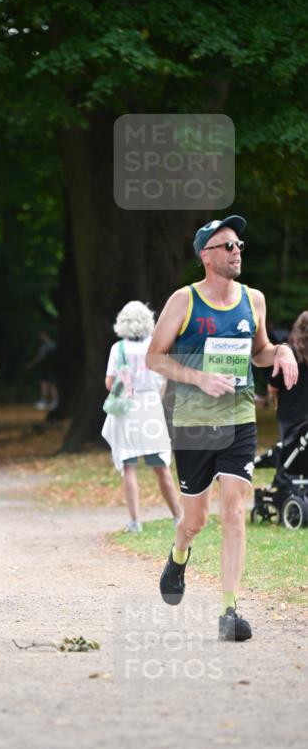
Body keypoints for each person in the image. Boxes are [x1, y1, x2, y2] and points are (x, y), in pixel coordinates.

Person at [147, 215, 298, 641]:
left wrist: (282, 351)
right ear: (206, 256)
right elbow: (154, 358)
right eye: (227, 246)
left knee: (233, 510)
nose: (236, 252)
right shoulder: (184, 301)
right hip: (193, 423)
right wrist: (198, 378)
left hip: (238, 419)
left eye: (238, 245)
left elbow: (259, 351)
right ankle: (179, 554)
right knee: (195, 519)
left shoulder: (254, 300)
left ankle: (229, 611)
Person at [102, 301, 181, 533]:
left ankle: (135, 521)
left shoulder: (118, 349)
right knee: (161, 466)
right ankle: (178, 516)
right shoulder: (156, 346)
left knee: (129, 466)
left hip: (127, 409)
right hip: (151, 409)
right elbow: (163, 381)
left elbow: (110, 383)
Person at [266, 310, 308, 442]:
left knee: (291, 452)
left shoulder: (289, 355)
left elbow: (273, 386)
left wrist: (273, 395)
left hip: (290, 417)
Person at [26, 329, 59, 411]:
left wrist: (31, 364)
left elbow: (40, 358)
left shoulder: (44, 347)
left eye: (40, 335)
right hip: (53, 368)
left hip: (46, 368)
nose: (40, 337)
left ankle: (46, 401)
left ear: (44, 334)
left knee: (46, 384)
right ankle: (53, 402)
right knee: (50, 384)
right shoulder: (55, 345)